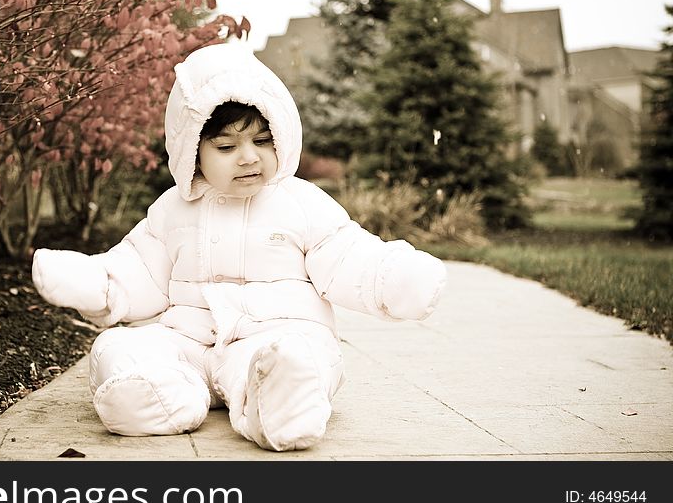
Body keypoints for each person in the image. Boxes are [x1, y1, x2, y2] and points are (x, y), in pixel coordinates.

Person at [31, 42, 447, 451]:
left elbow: (346, 255)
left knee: (295, 357)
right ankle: (157, 394)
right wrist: (99, 283)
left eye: (262, 141)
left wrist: (391, 276)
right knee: (118, 347)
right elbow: (141, 266)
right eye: (227, 147)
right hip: (189, 342)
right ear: (192, 151)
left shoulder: (299, 202)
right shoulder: (174, 209)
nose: (249, 157)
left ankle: (281, 403)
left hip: (273, 335)